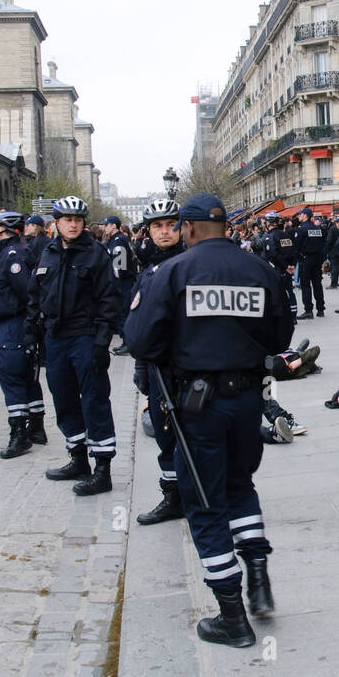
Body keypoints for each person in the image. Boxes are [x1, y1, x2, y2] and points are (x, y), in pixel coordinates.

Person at [124, 192, 294, 648]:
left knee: (203, 501)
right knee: (240, 486)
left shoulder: (172, 272)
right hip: (247, 401)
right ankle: (256, 570)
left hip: (198, 404)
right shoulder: (260, 269)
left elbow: (140, 340)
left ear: (191, 229)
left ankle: (231, 616)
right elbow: (281, 335)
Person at [27, 196, 122, 495]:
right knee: (63, 398)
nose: (73, 224)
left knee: (94, 399)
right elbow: (35, 295)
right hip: (55, 337)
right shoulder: (47, 253)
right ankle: (78, 459)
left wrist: (101, 342)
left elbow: (110, 300)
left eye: (78, 220)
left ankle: (102, 468)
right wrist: (31, 333)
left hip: (85, 336)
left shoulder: (96, 254)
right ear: (56, 222)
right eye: (67, 219)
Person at [130, 198, 188, 525]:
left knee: (196, 433)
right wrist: (141, 365)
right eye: (157, 226)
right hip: (157, 368)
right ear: (149, 231)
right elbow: (138, 321)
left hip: (189, 364)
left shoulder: (191, 264)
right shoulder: (148, 270)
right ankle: (173, 496)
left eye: (171, 225)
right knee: (165, 435)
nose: (165, 232)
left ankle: (203, 494)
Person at [0, 212, 48, 459]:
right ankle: (37, 427)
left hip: (14, 323)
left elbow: (26, 291)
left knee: (12, 377)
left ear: (3, 230)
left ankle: (19, 434)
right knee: (27, 376)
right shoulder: (14, 251)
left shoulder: (12, 255)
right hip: (16, 322)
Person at [104, 216, 135, 354]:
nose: (104, 228)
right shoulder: (119, 239)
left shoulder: (118, 241)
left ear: (113, 226)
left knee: (123, 312)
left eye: (106, 225)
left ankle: (127, 343)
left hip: (123, 282)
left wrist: (114, 283)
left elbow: (119, 267)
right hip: (125, 281)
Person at [262, 211, 299, 322]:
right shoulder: (285, 234)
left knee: (278, 292)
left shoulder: (270, 236)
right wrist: (291, 265)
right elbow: (292, 251)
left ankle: (282, 315)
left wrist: (286, 266)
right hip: (287, 268)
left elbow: (273, 255)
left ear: (269, 223)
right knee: (289, 291)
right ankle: (293, 315)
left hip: (278, 268)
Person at [293, 207, 326, 319]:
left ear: (305, 216)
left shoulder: (301, 229)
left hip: (306, 259)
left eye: (300, 214)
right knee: (317, 284)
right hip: (317, 259)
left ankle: (308, 310)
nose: (299, 216)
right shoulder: (318, 229)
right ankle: (320, 309)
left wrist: (297, 259)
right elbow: (322, 245)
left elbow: (296, 247)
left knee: (306, 285)